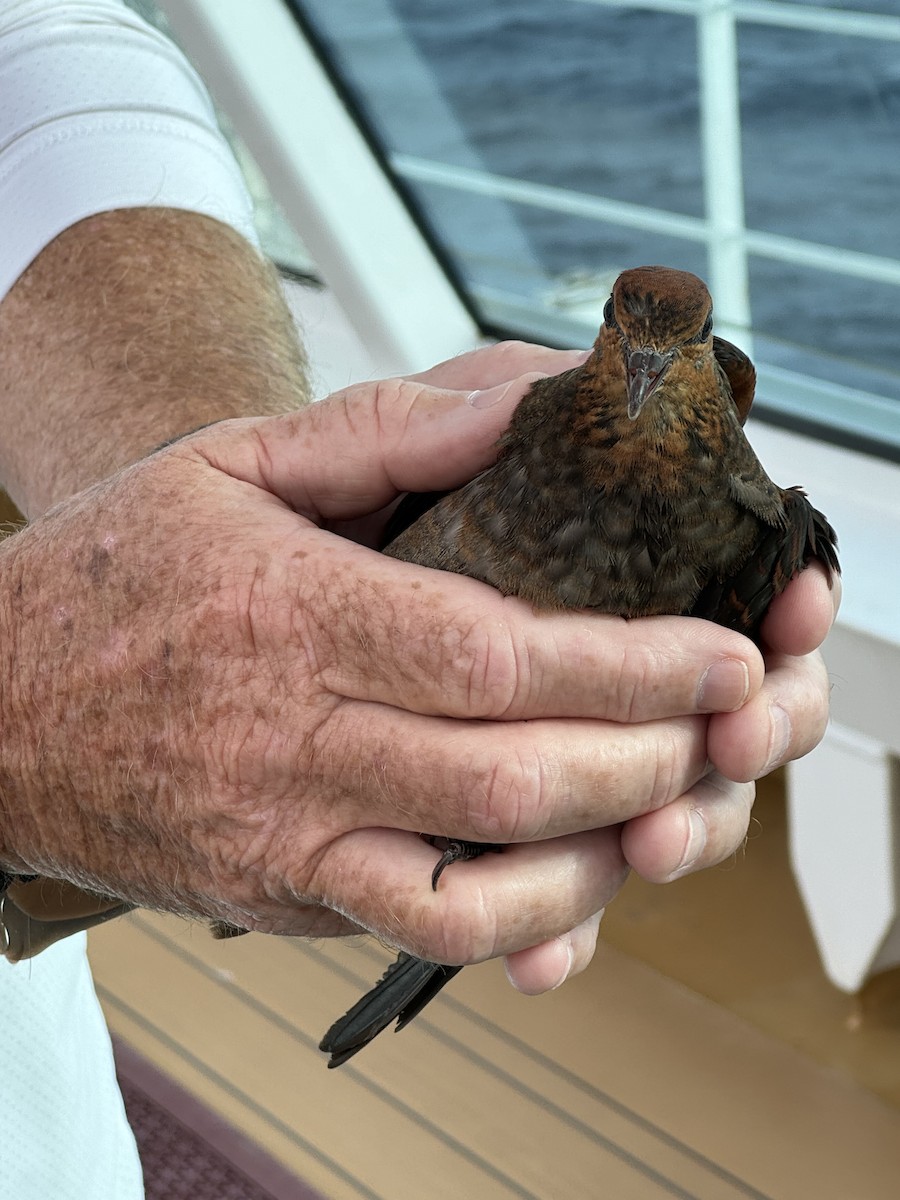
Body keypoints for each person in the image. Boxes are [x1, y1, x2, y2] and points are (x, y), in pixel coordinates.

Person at [0, 1, 836, 1196]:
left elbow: (26, 50)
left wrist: (218, 499)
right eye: (628, 338)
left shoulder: (732, 501)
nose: (649, 369)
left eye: (684, 353)